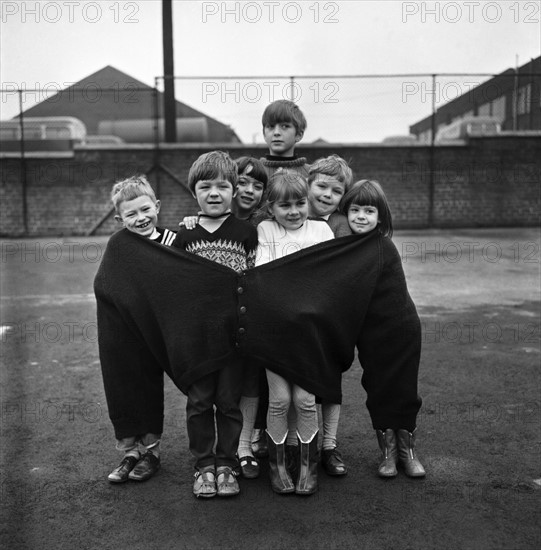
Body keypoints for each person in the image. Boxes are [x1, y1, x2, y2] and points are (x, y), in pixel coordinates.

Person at [172, 151, 259, 498]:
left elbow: (253, 281)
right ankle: (203, 466)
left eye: (222, 186)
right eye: (205, 186)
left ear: (234, 190)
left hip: (233, 336)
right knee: (198, 403)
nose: (214, 193)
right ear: (194, 192)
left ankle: (226, 464)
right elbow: (170, 282)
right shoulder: (184, 234)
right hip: (197, 338)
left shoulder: (245, 232)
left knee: (228, 402)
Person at [256, 172, 334, 496]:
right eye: (284, 205)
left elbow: (329, 276)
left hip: (309, 332)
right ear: (271, 208)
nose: (293, 211)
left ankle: (307, 467)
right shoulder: (266, 229)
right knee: (279, 400)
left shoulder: (322, 229)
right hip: (274, 329)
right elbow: (264, 273)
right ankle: (276, 467)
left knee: (305, 400)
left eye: (300, 203)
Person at [341, 179, 426, 478]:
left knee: (404, 390)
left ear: (381, 217)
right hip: (371, 335)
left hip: (401, 330)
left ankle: (407, 452)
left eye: (369, 211)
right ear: (345, 213)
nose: (361, 217)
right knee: (377, 389)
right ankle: (388, 452)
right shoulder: (347, 247)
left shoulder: (383, 247)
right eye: (355, 210)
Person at [106, 175, 176, 484]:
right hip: (126, 334)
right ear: (120, 219)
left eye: (145, 210)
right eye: (131, 214)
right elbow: (106, 287)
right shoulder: (119, 245)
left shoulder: (173, 242)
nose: (140, 218)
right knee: (123, 387)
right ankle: (129, 452)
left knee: (150, 388)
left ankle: (151, 452)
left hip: (161, 332)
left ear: (157, 206)